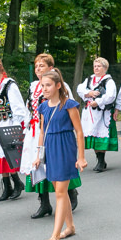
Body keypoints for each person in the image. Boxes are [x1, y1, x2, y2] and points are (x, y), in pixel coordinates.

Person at [33, 70, 87, 240]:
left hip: (65, 149)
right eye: (42, 85)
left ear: (58, 86)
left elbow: (79, 132)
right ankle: (70, 227)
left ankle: (55, 236)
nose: (44, 88)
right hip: (50, 150)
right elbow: (42, 132)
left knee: (60, 193)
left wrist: (81, 157)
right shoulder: (43, 107)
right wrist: (38, 157)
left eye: (48, 85)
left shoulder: (69, 105)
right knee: (58, 190)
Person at [20, 54, 79, 218]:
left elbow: (68, 106)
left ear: (50, 69)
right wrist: (25, 124)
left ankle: (70, 192)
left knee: (56, 164)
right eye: (37, 66)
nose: (38, 69)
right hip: (35, 132)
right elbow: (29, 107)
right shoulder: (33, 86)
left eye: (42, 66)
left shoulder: (59, 84)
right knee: (37, 166)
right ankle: (44, 203)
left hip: (53, 131)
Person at [0, 58, 29, 201]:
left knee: (8, 156)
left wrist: (15, 128)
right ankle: (8, 186)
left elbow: (18, 109)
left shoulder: (9, 85)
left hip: (8, 124)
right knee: (1, 157)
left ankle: (16, 183)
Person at [77, 57, 118, 172]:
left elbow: (110, 96)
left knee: (100, 135)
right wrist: (88, 93)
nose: (96, 68)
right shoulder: (90, 79)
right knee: (93, 135)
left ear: (105, 68)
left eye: (99, 66)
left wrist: (98, 102)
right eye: (95, 66)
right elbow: (79, 89)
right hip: (89, 113)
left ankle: (101, 160)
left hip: (102, 113)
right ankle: (99, 159)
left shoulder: (108, 81)